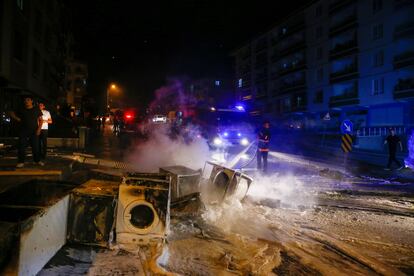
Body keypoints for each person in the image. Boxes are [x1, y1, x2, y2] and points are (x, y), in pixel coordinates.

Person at [9, 96, 43, 168]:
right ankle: (21, 162)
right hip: (23, 130)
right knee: (21, 146)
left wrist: (39, 129)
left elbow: (41, 120)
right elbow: (11, 112)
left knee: (36, 146)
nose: (26, 101)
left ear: (31, 101)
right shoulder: (21, 109)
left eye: (28, 100)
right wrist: (17, 118)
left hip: (34, 131)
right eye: (25, 100)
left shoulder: (36, 109)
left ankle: (37, 160)